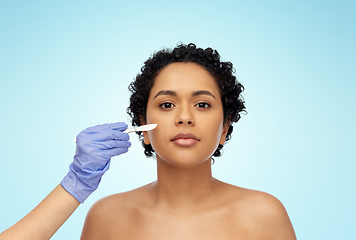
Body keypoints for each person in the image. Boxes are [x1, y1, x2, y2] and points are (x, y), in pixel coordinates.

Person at [0, 43, 296, 240]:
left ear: (224, 127)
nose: (184, 117)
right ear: (143, 125)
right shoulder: (106, 218)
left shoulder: (263, 215)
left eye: (202, 105)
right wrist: (75, 182)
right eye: (167, 104)